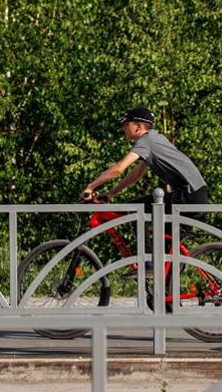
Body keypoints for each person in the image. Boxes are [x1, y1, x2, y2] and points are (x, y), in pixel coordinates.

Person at [80, 107, 208, 272]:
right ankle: (161, 281)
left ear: (138, 126)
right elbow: (136, 174)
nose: (123, 128)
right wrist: (112, 193)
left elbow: (119, 169)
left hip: (189, 196)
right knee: (162, 247)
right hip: (191, 195)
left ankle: (148, 264)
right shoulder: (153, 139)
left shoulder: (146, 142)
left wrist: (90, 187)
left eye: (126, 124)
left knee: (135, 210)